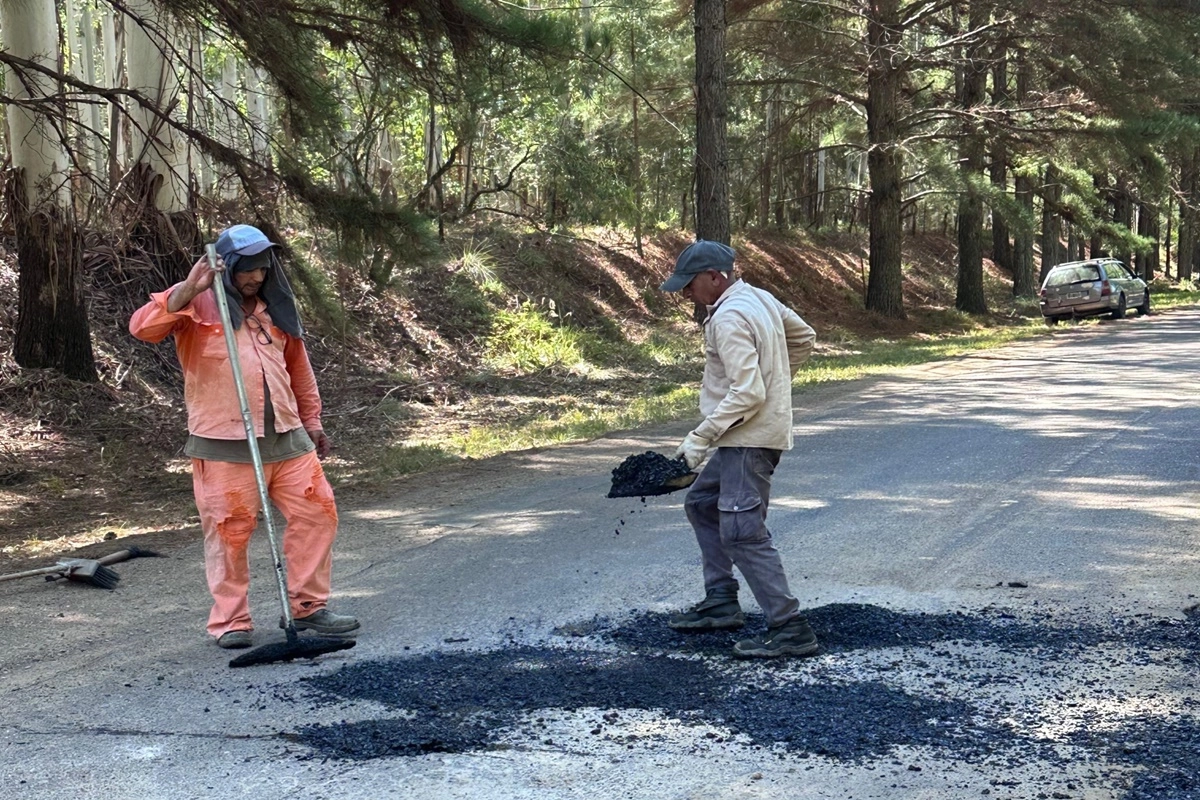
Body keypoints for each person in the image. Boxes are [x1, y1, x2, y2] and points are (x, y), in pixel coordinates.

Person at [129, 224, 358, 650]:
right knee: (230, 531)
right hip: (223, 445)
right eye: (246, 269)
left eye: (262, 268)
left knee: (318, 514)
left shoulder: (276, 310)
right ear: (228, 266)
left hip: (287, 438)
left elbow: (299, 371)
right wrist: (188, 288)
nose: (255, 278)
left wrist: (313, 421)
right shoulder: (197, 304)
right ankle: (231, 621)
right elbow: (143, 328)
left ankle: (309, 607)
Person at [661, 239, 818, 658]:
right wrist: (778, 380)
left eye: (689, 284)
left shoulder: (729, 317)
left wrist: (699, 438)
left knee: (742, 531)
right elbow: (804, 336)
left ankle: (789, 626)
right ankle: (721, 601)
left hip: (749, 439)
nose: (685, 294)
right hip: (744, 435)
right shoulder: (759, 298)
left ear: (716, 277)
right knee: (702, 503)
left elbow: (747, 393)